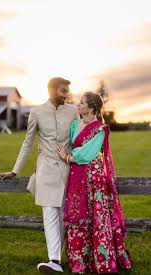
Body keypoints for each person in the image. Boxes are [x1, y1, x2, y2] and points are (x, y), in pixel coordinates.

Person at [0, 77, 79, 273]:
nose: (66, 94)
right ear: (51, 91)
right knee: (50, 213)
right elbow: (28, 142)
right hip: (46, 171)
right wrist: (16, 169)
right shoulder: (37, 111)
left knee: (62, 215)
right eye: (62, 90)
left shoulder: (73, 111)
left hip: (69, 171)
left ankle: (55, 260)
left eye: (67, 90)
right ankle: (54, 260)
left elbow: (79, 139)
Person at [56, 91, 132, 274]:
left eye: (82, 103)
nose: (78, 105)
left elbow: (86, 155)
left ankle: (100, 261)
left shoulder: (101, 129)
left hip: (94, 179)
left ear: (91, 108)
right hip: (76, 176)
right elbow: (69, 143)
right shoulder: (75, 124)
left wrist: (67, 157)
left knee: (95, 217)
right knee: (78, 214)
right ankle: (80, 261)